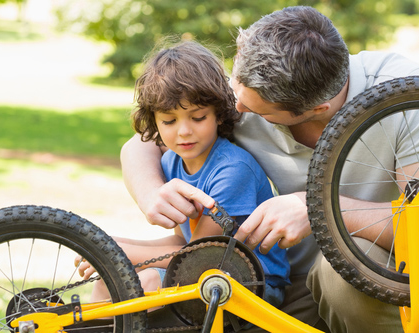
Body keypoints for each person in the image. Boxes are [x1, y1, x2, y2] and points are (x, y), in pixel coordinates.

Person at [120, 6, 419, 333]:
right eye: (235, 87)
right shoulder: (249, 90)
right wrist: (151, 192)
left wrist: (317, 209)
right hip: (279, 280)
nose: (236, 107)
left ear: (317, 108)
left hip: (372, 280)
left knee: (340, 273)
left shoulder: (403, 94)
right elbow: (143, 142)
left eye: (260, 111)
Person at [78, 40, 290, 309]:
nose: (184, 131)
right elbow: (183, 241)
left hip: (253, 283)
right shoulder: (171, 162)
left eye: (198, 117)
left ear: (219, 115)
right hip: (206, 270)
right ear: (154, 121)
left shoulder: (233, 169)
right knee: (109, 278)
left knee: (150, 281)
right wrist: (113, 245)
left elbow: (199, 255)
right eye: (169, 121)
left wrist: (120, 252)